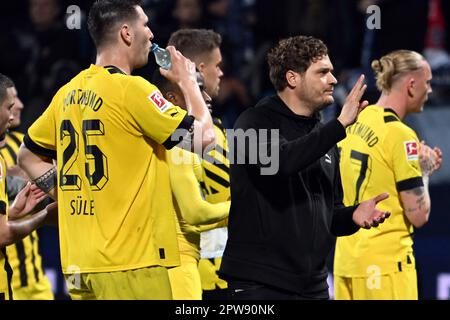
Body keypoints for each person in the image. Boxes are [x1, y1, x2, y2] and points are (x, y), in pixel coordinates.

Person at [17, 0, 214, 300]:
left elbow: (27, 155)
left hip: (79, 265)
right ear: (126, 33)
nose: (151, 34)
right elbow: (204, 138)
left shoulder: (66, 93)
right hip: (132, 264)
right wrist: (188, 82)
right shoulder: (132, 90)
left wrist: (66, 193)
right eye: (145, 25)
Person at [219, 35, 391, 300]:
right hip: (260, 285)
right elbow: (281, 163)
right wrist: (339, 126)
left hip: (314, 288)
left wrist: (353, 215)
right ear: (292, 78)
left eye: (332, 72)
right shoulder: (250, 122)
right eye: (322, 72)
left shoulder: (325, 137)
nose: (333, 80)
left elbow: (330, 216)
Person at [334, 50, 443, 300]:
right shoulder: (401, 135)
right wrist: (424, 171)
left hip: (347, 262)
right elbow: (419, 215)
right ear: (411, 84)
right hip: (385, 269)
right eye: (427, 83)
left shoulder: (359, 118)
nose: (430, 90)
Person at [152, 69, 229, 300]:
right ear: (172, 99)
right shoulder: (178, 144)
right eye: (197, 89)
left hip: (157, 259)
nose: (206, 98)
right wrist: (242, 208)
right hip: (179, 261)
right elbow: (195, 213)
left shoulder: (156, 137)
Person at [167, 28, 230, 299]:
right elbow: (197, 210)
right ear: (200, 70)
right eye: (217, 66)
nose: (222, 73)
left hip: (211, 268)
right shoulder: (184, 135)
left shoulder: (211, 128)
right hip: (201, 272)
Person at [0, 73, 55, 300]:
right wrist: (45, 216)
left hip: (31, 279)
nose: (15, 112)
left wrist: (13, 213)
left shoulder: (24, 147)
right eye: (10, 105)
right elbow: (2, 235)